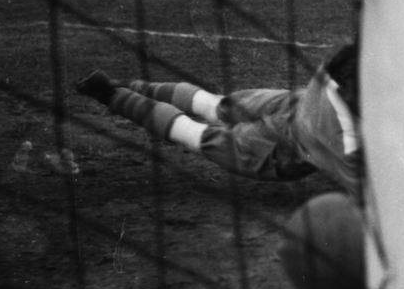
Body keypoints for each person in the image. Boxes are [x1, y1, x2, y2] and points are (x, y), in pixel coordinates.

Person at [73, 41, 362, 203]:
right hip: (283, 148)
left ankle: (125, 85)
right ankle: (111, 94)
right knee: (196, 135)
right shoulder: (349, 150)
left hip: (293, 101)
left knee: (213, 105)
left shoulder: (342, 60)